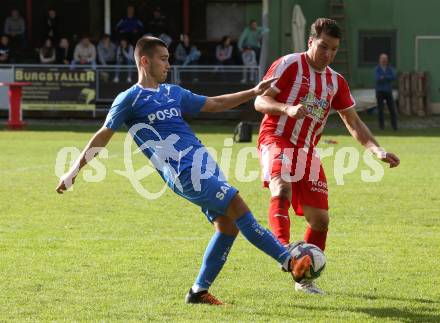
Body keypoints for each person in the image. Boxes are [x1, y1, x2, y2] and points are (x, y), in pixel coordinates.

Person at [55, 36, 312, 305]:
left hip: (205, 165)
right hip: (185, 173)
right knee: (237, 206)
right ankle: (289, 262)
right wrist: (73, 171)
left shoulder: (172, 92)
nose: (168, 64)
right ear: (145, 61)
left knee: (227, 226)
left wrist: (254, 91)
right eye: (163, 59)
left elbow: (214, 103)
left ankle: (198, 292)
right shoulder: (129, 99)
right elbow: (103, 135)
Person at [255, 18, 400, 294]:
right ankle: (284, 251)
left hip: (307, 149)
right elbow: (259, 101)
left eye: (333, 50)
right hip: (277, 136)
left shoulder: (336, 82)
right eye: (323, 47)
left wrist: (377, 150)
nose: (328, 55)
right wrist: (287, 109)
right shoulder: (288, 64)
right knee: (281, 187)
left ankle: (303, 277)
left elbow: (353, 122)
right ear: (310, 42)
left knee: (320, 220)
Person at [375, 53, 397, 130]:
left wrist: (383, 77)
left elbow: (393, 77)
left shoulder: (389, 68)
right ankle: (381, 126)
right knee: (380, 110)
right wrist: (386, 77)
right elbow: (377, 78)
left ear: (387, 60)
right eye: (382, 59)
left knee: (392, 109)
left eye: (385, 59)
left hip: (388, 91)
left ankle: (394, 126)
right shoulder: (377, 68)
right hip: (380, 91)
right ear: (380, 60)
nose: (384, 60)